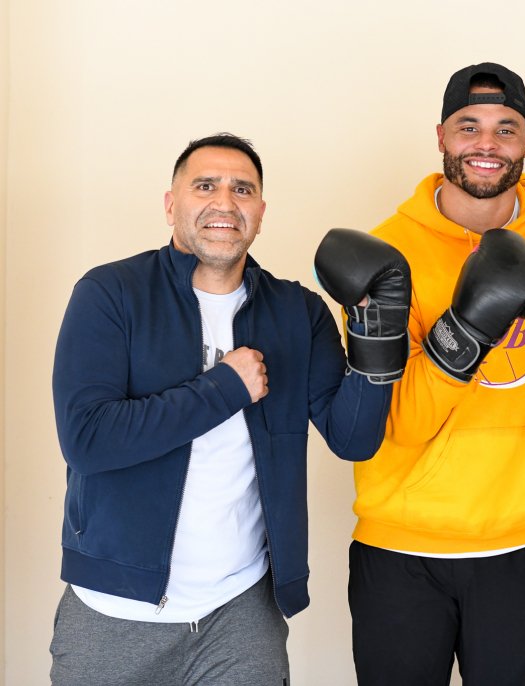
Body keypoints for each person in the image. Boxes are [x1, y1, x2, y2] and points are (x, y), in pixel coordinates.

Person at [50, 133, 407, 686]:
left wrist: (376, 333)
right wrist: (223, 389)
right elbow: (88, 440)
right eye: (205, 186)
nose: (225, 201)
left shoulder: (297, 311)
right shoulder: (110, 293)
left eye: (242, 189)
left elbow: (353, 439)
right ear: (171, 204)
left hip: (241, 610)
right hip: (114, 609)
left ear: (260, 212)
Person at [344, 62, 525, 685]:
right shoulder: (388, 251)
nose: (487, 144)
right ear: (440, 136)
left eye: (506, 128)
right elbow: (399, 422)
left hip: (523, 540)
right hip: (400, 545)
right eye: (468, 126)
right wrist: (466, 329)